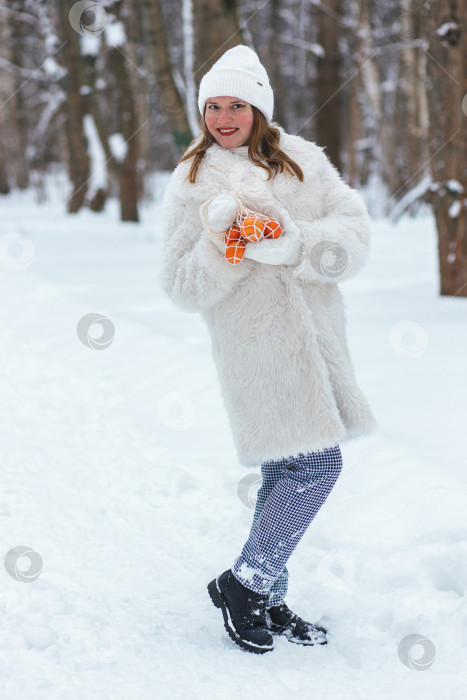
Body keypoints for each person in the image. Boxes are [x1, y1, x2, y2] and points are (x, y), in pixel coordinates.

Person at [159, 45, 378, 655]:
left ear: (259, 107)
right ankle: (245, 582)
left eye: (236, 104)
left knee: (290, 469)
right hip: (256, 350)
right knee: (319, 465)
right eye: (212, 106)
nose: (224, 118)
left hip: (320, 342)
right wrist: (221, 246)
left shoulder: (305, 163)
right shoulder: (193, 180)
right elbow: (180, 284)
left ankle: (267, 591)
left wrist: (290, 243)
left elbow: (353, 235)